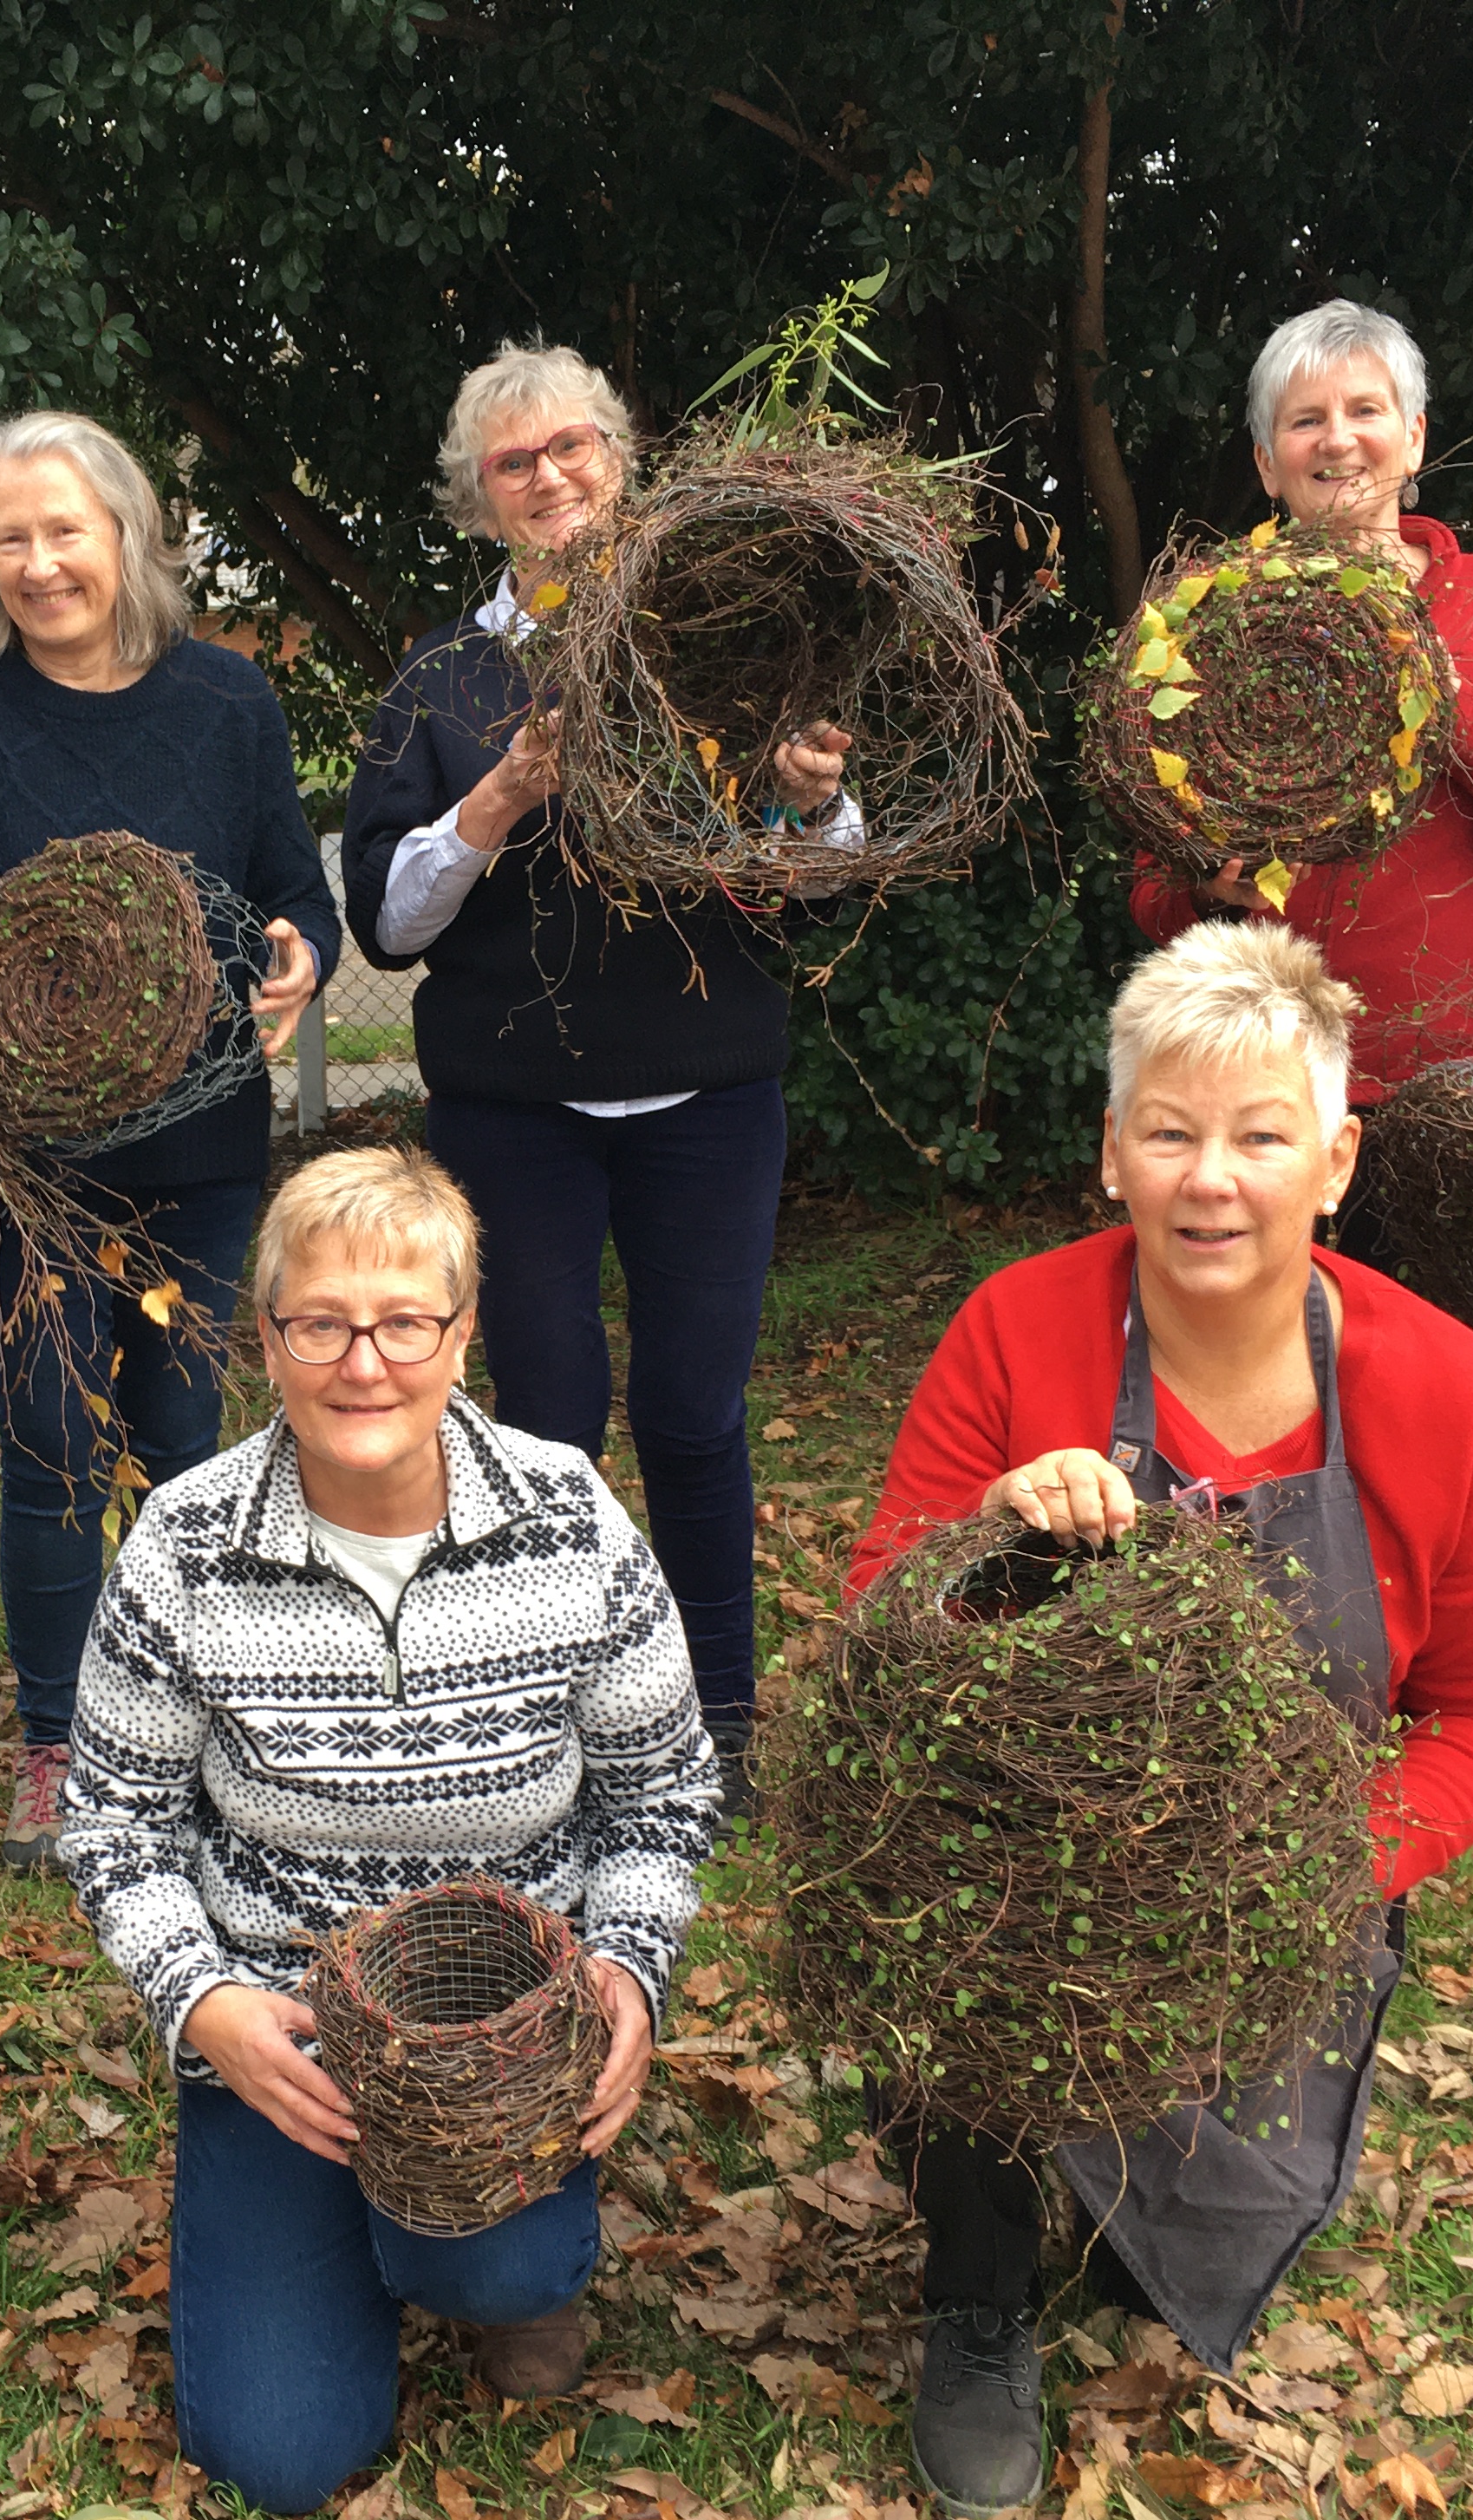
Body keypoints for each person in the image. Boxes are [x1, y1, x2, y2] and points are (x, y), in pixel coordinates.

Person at [841, 922, 1473, 2516]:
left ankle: (1149, 2198)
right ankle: (978, 2292)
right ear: (1113, 1153)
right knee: (940, 1936)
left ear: (1336, 1161)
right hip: (1021, 1863)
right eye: (1169, 1134)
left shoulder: (1450, 1393)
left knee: (1169, 2243)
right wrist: (989, 1539)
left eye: (1261, 1138)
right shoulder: (1018, 1329)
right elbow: (878, 1619)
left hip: (1284, 1885)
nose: (1210, 1180)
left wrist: (1308, 1870)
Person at [62, 1146, 723, 2516]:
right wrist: (205, 2007)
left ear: (462, 1332)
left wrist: (629, 1971)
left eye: (405, 1322)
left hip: (510, 2040)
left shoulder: (567, 1518)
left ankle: (490, 2266)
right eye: (321, 1324)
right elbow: (114, 1823)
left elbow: (664, 1791)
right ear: (267, 1339)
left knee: (498, 2266)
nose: (364, 1364)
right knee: (279, 2454)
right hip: (288, 2042)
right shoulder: (185, 1545)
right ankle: (335, 2232)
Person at [342, 341, 857, 1806]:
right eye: (516, 461)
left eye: (574, 446)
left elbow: (813, 883)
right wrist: (498, 794)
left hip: (709, 1096)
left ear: (622, 460)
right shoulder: (441, 680)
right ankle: (553, 1718)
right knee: (544, 1425)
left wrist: (812, 802)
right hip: (515, 1111)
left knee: (694, 1413)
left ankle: (719, 1721)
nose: (552, 476)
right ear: (478, 496)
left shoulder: (715, 641)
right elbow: (386, 920)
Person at [0, 408, 335, 1875]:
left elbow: (294, 892)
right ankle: (62, 1741)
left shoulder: (226, 701)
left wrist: (299, 959)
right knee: (56, 1437)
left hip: (197, 1137)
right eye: (7, 537)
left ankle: (183, 1721)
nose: (37, 562)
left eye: (63, 529)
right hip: (13, 1151)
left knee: (185, 1434)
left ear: (125, 533)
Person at [1128, 299, 1473, 1188]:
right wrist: (1208, 885)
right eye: (1305, 420)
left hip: (1462, 1087)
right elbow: (1152, 891)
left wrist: (1454, 705)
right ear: (1267, 463)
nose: (1338, 439)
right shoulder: (1210, 623)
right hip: (1267, 1085)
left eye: (1365, 410)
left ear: (1413, 440)